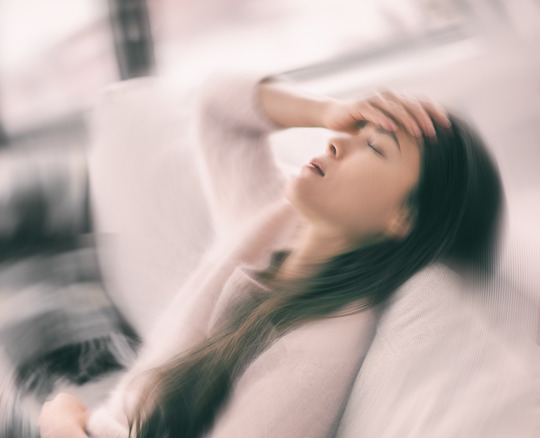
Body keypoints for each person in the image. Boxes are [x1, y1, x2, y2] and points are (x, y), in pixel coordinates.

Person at [38, 72, 503, 437]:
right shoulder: (272, 216)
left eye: (376, 147)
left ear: (402, 219)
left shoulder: (317, 352)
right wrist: (330, 109)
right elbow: (218, 106)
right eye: (356, 129)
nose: (338, 140)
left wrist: (59, 420)